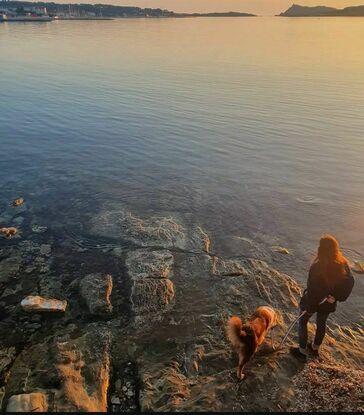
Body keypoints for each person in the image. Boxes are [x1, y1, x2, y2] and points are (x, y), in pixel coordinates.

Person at [290, 234, 354, 361]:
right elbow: (350, 282)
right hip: (327, 303)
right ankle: (314, 348)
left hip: (313, 301)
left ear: (321, 249)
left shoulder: (317, 266)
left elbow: (313, 290)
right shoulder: (343, 263)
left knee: (302, 322)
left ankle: (302, 351)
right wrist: (336, 297)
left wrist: (309, 306)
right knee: (321, 323)